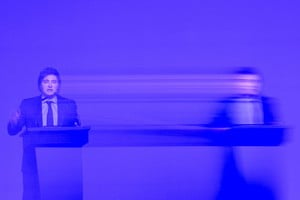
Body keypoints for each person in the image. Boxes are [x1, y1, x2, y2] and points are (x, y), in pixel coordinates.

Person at [7, 67, 80, 200]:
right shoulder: (27, 104)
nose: (50, 85)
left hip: (61, 161)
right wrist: (14, 122)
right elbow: (13, 131)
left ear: (58, 85)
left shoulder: (69, 104)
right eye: (46, 81)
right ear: (40, 85)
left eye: (54, 81)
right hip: (33, 161)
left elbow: (75, 131)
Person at [209, 67, 278, 127]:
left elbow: (274, 126)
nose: (250, 85)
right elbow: (215, 126)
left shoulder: (267, 103)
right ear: (236, 84)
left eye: (254, 81)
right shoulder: (226, 103)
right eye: (245, 81)